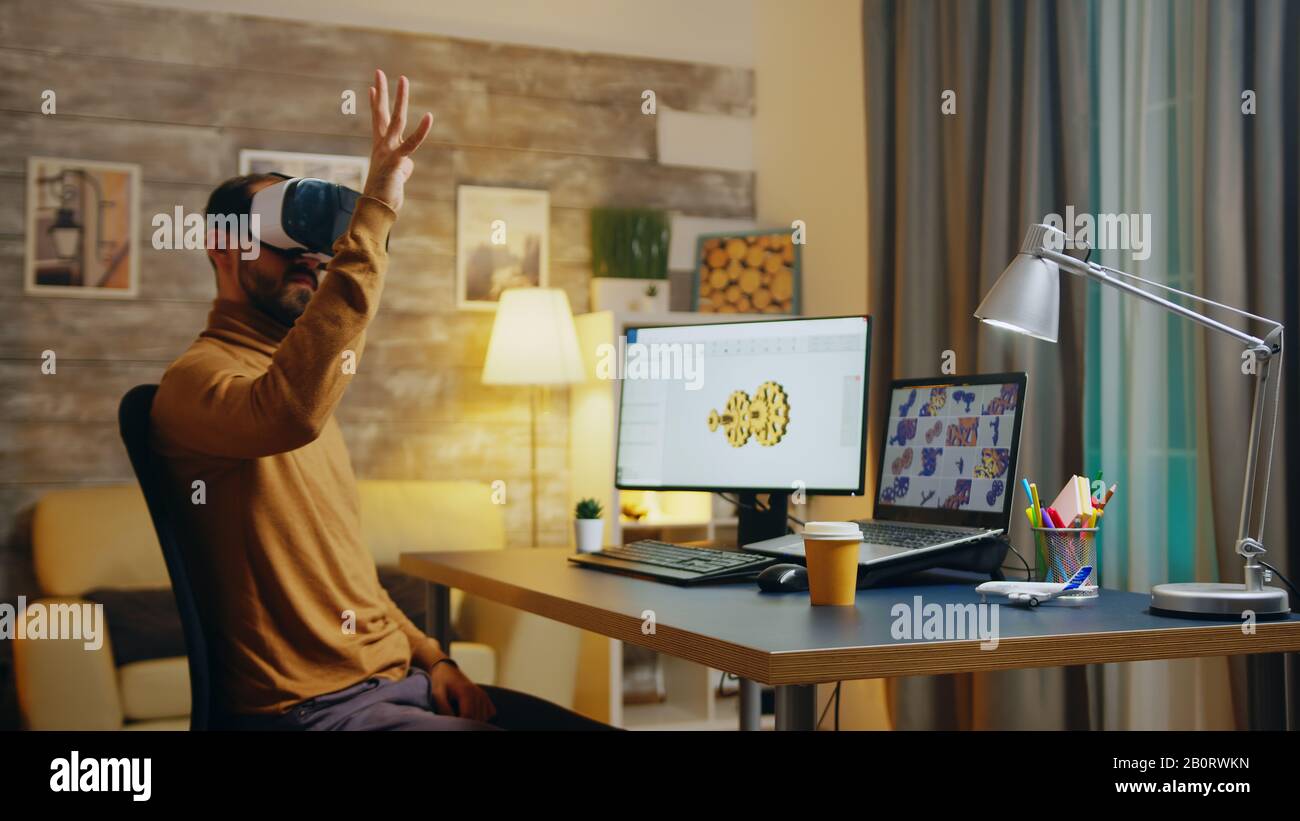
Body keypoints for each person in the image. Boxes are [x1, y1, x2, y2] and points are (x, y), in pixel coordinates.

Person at [150, 69, 609, 731]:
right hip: (317, 711)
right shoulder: (197, 381)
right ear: (226, 245)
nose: (311, 255)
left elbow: (349, 573)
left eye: (317, 239)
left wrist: (434, 656)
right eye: (286, 234)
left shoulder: (293, 381)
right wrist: (376, 211)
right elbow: (290, 411)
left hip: (405, 684)